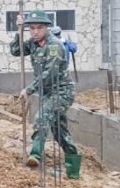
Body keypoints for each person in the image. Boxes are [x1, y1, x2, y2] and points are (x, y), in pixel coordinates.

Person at [10, 10, 81, 178]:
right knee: (59, 132)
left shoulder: (54, 45)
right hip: (47, 93)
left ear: (46, 28)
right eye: (32, 28)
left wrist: (29, 89)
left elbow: (49, 74)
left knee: (41, 117)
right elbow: (15, 51)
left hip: (61, 91)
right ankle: (73, 171)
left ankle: (34, 155)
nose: (35, 31)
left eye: (39, 28)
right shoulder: (34, 43)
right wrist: (19, 31)